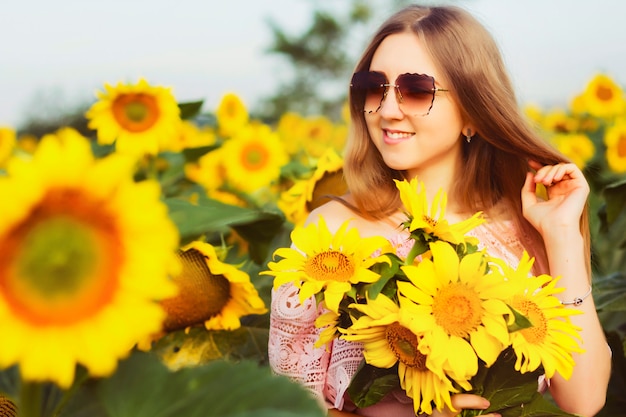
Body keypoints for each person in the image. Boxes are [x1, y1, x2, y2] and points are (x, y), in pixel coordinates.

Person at [268, 4, 611, 417]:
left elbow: (586, 400)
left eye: (416, 89)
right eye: (374, 87)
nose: (388, 109)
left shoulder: (519, 234)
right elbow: (288, 408)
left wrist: (561, 237)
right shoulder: (330, 238)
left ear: (473, 113)